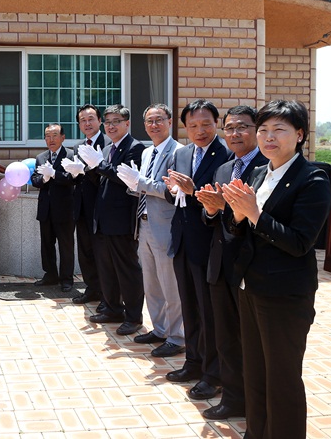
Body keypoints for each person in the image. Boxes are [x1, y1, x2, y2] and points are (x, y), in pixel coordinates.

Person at [222, 100, 330, 439]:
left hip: (285, 295)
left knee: (281, 379)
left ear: (299, 135)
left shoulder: (312, 178)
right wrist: (236, 215)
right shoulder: (257, 172)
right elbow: (239, 227)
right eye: (264, 130)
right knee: (254, 374)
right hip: (250, 288)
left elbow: (300, 241)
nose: (269, 137)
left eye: (279, 130)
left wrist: (253, 214)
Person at [196, 105, 268, 420]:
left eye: (243, 127)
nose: (235, 133)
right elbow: (210, 216)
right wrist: (212, 209)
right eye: (230, 128)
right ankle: (233, 398)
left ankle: (258, 402)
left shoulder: (268, 168)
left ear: (256, 130)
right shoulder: (224, 169)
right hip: (220, 263)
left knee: (253, 340)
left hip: (252, 267)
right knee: (224, 336)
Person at [162, 99, 232, 401]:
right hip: (182, 241)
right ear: (185, 128)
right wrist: (171, 190)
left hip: (209, 244)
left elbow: (221, 201)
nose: (199, 130)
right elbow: (173, 195)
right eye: (193, 125)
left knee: (209, 312)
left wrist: (193, 192)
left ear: (215, 123)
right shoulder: (182, 153)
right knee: (189, 307)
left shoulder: (226, 155)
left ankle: (213, 373)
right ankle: (193, 362)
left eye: (206, 124)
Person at [116, 104, 184, 357]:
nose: (154, 125)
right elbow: (142, 187)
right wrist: (132, 184)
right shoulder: (147, 153)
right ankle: (160, 328)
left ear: (169, 122)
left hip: (165, 225)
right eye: (149, 121)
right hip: (143, 223)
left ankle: (178, 336)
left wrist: (141, 183)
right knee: (151, 283)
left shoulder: (179, 152)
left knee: (170, 285)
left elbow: (171, 191)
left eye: (159, 120)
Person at [78, 105, 145, 336]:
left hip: (121, 220)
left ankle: (134, 316)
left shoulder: (135, 148)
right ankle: (113, 309)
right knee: (107, 269)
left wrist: (101, 166)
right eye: (108, 122)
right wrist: (87, 169)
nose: (111, 126)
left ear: (127, 123)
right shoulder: (108, 148)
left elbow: (126, 179)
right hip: (103, 218)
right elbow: (103, 180)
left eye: (116, 121)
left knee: (127, 270)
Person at [69, 104, 110, 306]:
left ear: (100, 121)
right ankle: (91, 289)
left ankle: (106, 294)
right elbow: (77, 177)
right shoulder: (77, 146)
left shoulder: (108, 144)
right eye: (83, 120)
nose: (87, 123)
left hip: (101, 208)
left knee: (101, 253)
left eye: (91, 118)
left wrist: (89, 170)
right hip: (82, 207)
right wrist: (74, 172)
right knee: (84, 252)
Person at [31, 123, 76, 291]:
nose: (51, 139)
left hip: (65, 210)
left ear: (62, 137)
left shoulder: (70, 155)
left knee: (66, 246)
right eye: (47, 136)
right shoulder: (41, 157)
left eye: (54, 135)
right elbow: (35, 180)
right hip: (46, 210)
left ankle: (66, 279)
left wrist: (54, 174)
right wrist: (44, 179)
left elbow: (72, 178)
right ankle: (50, 275)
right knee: (47, 245)